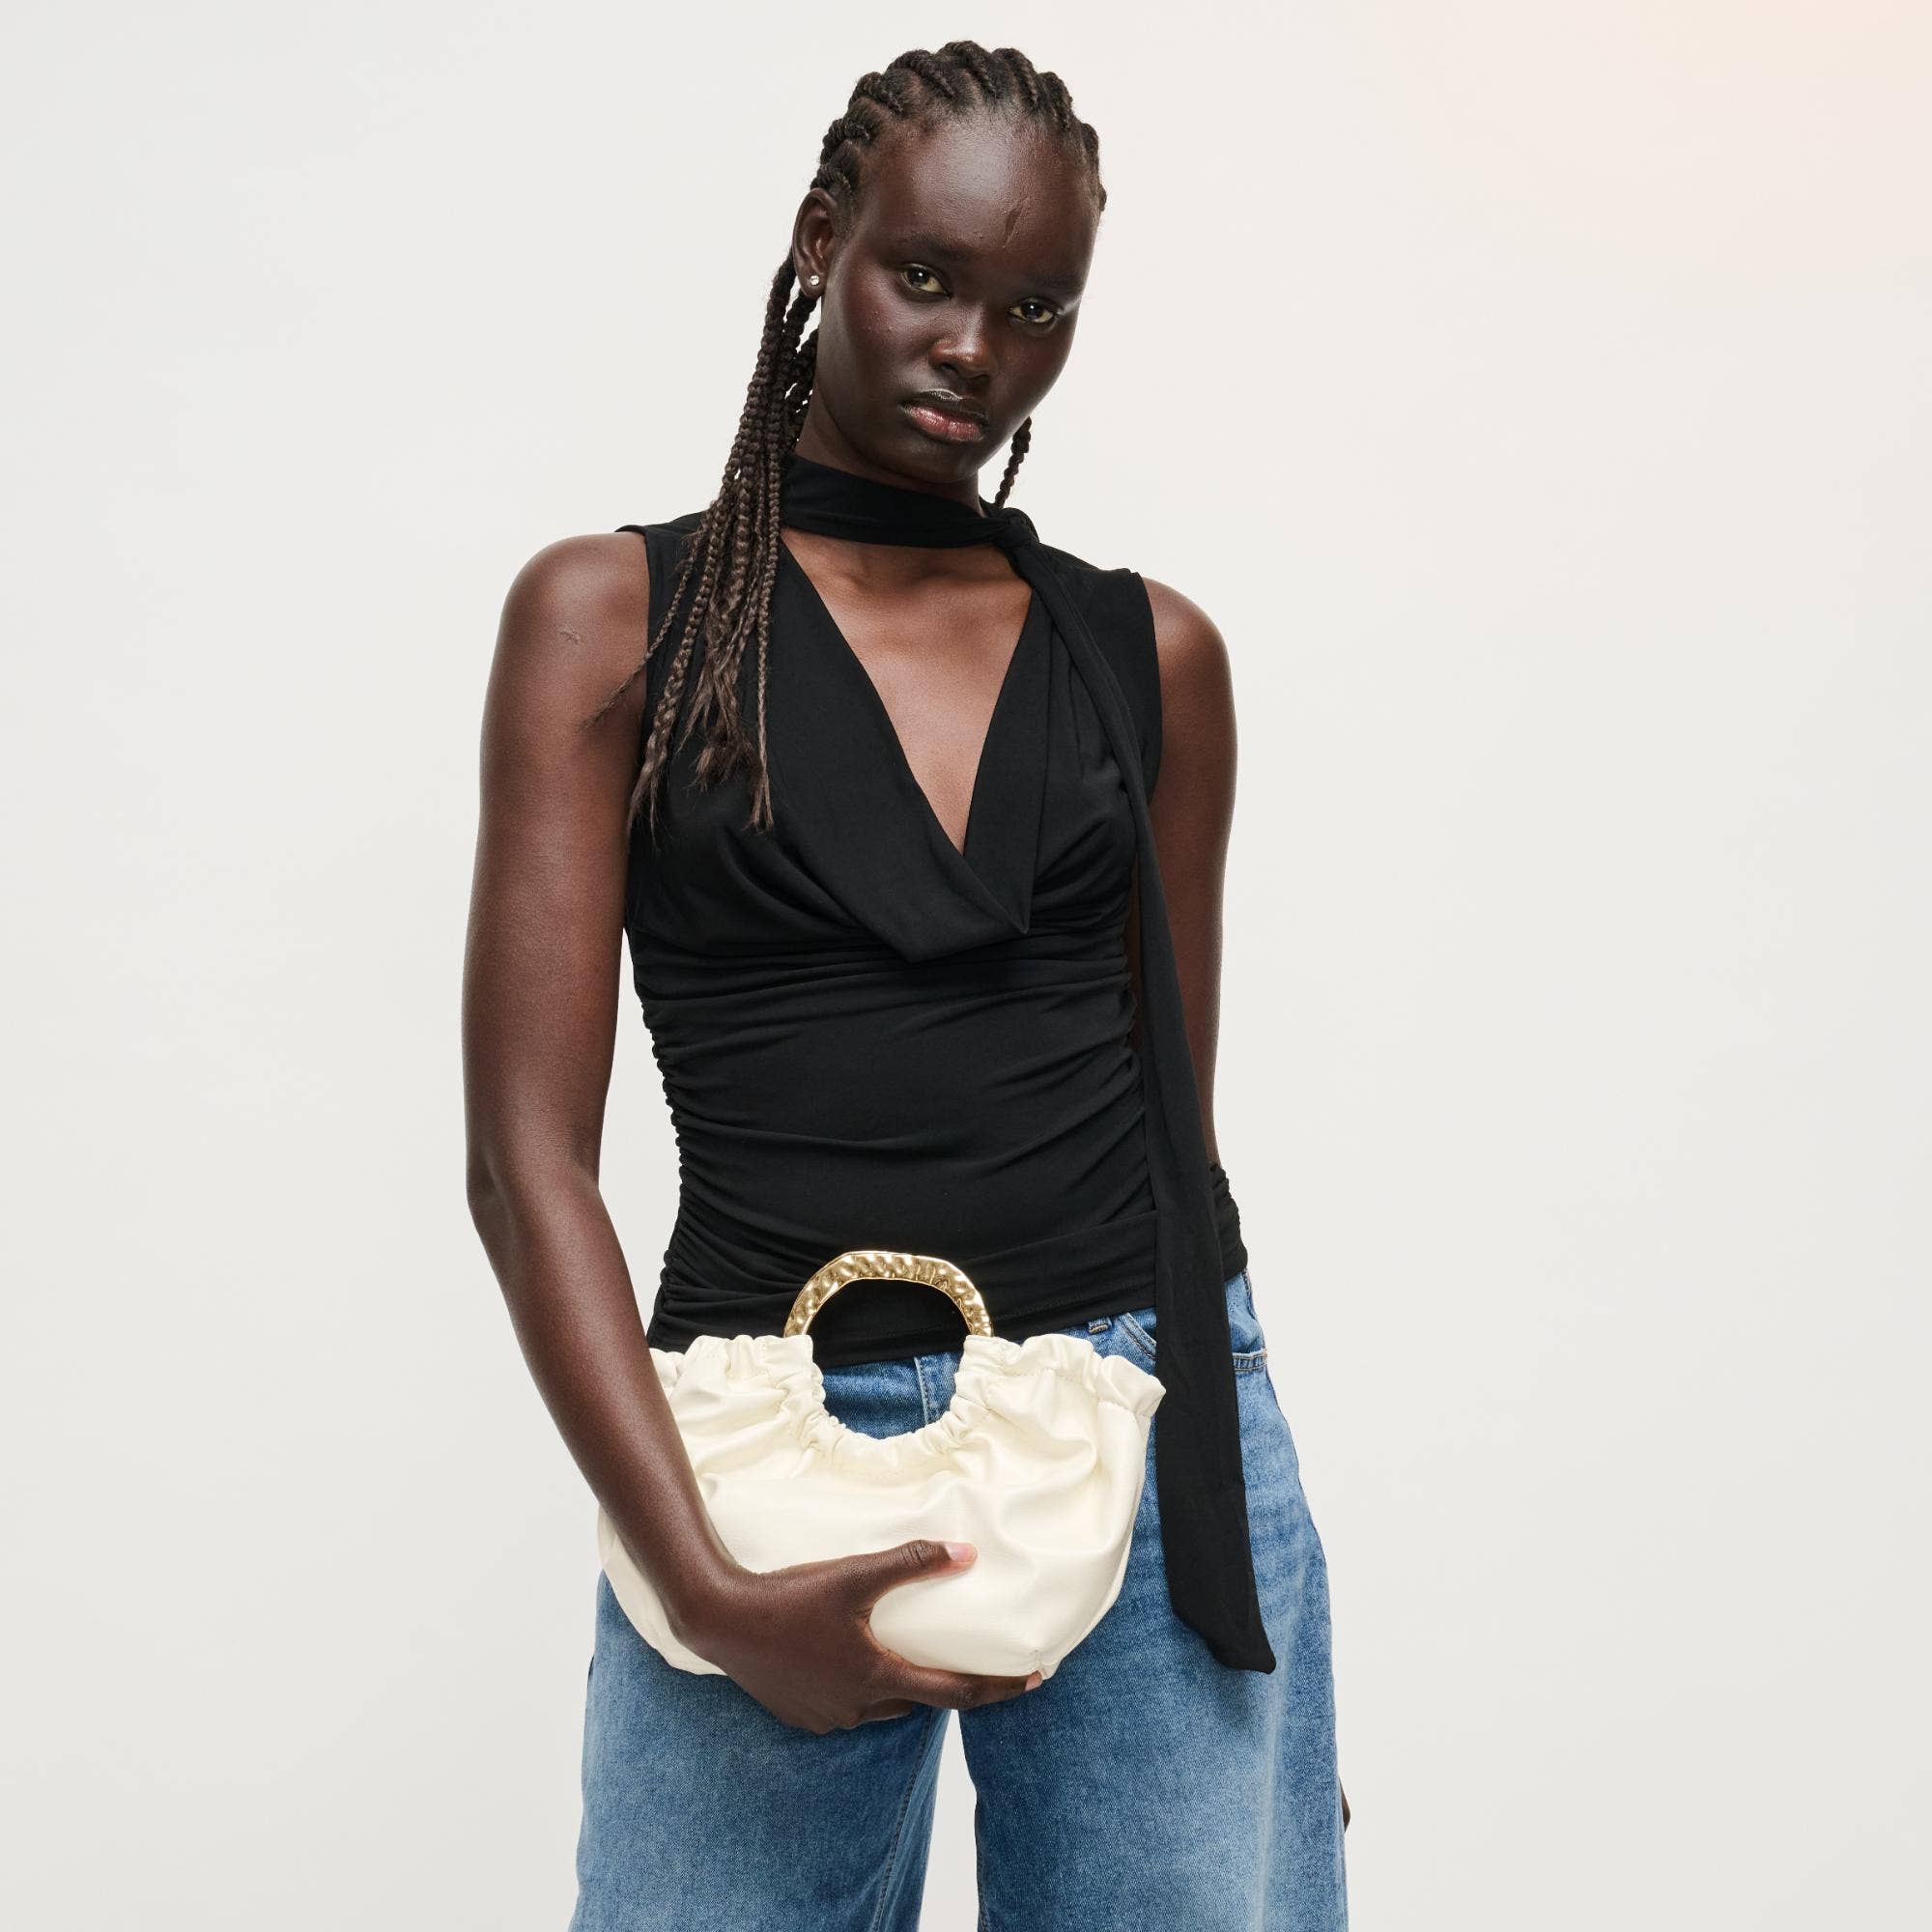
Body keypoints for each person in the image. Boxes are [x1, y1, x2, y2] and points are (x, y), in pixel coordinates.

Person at [464, 38, 1350, 1930]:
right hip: (759, 1443)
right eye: (926, 276)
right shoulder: (611, 621)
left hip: (1137, 1424)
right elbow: (525, 1165)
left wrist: (1251, 1623)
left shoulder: (1149, 656)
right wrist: (702, 1589)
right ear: (819, 245)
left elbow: (1172, 1137)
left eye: (1037, 308)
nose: (976, 349)